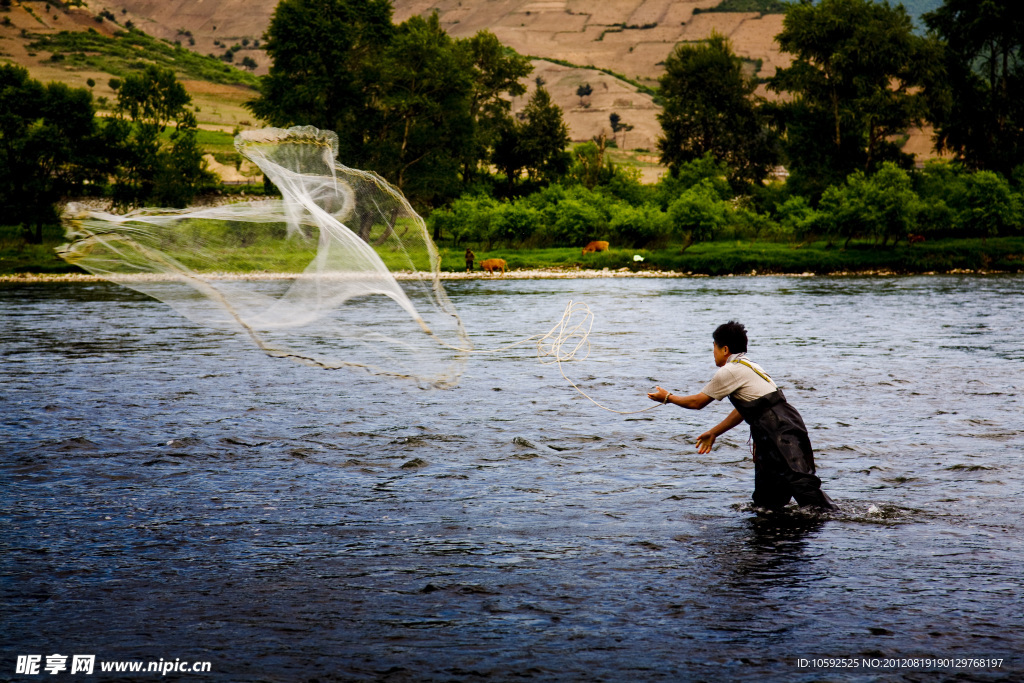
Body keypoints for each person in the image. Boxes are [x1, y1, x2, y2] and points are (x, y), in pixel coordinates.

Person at [647, 321, 837, 511]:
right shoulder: (750, 365)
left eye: (714, 346)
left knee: (801, 483)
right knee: (767, 496)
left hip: (777, 427)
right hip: (780, 422)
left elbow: (697, 402)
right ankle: (776, 532)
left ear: (725, 349)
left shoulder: (729, 371)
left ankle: (831, 521)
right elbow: (744, 410)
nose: (712, 351)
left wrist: (668, 398)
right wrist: (714, 433)